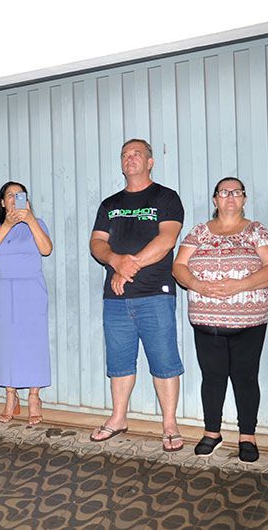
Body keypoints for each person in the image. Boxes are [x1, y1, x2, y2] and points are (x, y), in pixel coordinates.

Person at [172, 177, 268, 462]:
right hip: (206, 321)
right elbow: (179, 267)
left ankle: (248, 436)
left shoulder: (257, 231)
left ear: (244, 199)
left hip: (249, 322)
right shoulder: (199, 232)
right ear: (215, 200)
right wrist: (198, 285)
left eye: (237, 192)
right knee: (212, 377)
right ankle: (212, 432)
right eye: (224, 192)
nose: (230, 196)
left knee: (245, 377)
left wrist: (240, 285)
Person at [89, 138, 185, 451]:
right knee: (119, 361)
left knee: (164, 360)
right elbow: (97, 243)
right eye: (125, 155)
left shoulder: (166, 197)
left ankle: (169, 424)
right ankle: (118, 418)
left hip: (155, 294)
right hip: (115, 299)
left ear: (150, 162)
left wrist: (127, 267)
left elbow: (167, 240)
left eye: (136, 154)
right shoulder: (110, 204)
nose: (129, 158)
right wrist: (114, 260)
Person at [0, 181, 53, 425]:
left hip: (32, 289)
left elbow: (46, 249)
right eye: (10, 195)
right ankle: (11, 396)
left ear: (26, 200)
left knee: (34, 343)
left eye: (19, 195)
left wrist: (29, 219)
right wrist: (8, 225)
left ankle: (34, 397)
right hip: (5, 290)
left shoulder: (37, 223)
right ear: (3, 202)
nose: (14, 198)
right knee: (8, 344)